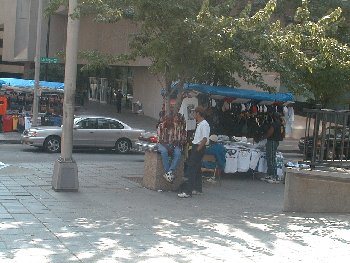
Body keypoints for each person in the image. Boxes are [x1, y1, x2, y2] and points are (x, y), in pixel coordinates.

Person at [178, 106, 210, 198]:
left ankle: (188, 191)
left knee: (191, 169)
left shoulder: (204, 124)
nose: (193, 115)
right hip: (197, 146)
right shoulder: (200, 124)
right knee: (197, 168)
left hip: (199, 147)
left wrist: (198, 149)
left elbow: (204, 138)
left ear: (198, 114)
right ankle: (198, 188)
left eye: (195, 113)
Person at [157, 105, 187, 183]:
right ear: (165, 120)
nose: (170, 122)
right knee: (164, 152)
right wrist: (167, 147)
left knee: (178, 153)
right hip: (163, 144)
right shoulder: (161, 126)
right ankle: (168, 172)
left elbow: (178, 139)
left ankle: (170, 171)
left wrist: (173, 146)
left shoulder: (176, 126)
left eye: (171, 120)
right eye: (168, 120)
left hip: (173, 145)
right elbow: (160, 140)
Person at [262, 112, 283, 184]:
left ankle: (274, 176)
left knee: (271, 158)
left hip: (272, 141)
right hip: (276, 141)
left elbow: (270, 133)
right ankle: (270, 174)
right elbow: (283, 134)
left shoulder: (274, 124)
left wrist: (263, 137)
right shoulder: (281, 124)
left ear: (274, 117)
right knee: (271, 158)